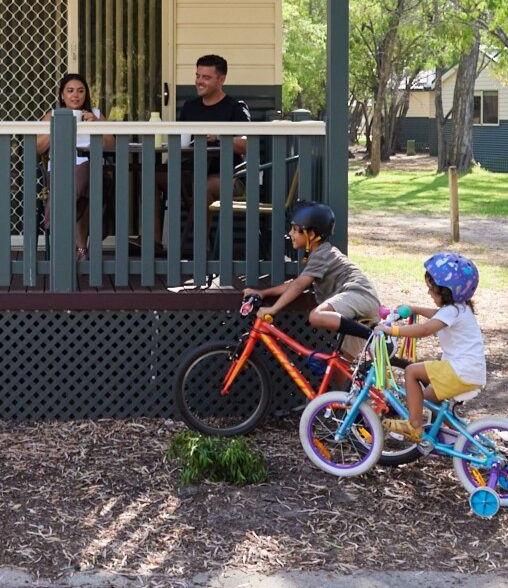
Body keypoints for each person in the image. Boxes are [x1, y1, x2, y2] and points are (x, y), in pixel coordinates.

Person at [239, 202, 381, 361]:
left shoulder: (322, 254)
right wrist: (262, 293)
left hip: (358, 295)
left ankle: (375, 334)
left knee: (316, 316)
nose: (290, 233)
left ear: (311, 235)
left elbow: (299, 285)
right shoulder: (319, 255)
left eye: (295, 229)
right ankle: (345, 383)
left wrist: (273, 309)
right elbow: (295, 283)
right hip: (363, 304)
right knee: (342, 365)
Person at [374, 252, 485, 443]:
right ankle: (468, 441)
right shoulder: (460, 308)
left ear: (446, 292)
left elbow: (425, 329)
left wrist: (391, 330)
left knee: (411, 371)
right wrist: (415, 308)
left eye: (432, 290)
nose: (429, 293)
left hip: (461, 370)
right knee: (429, 399)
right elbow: (437, 314)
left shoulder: (452, 311)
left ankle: (414, 426)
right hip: (470, 371)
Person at [34, 73, 106, 260]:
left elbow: (112, 144)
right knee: (81, 189)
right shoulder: (52, 115)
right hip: (59, 171)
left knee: (84, 169)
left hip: (92, 171)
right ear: (62, 96)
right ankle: (81, 250)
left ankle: (55, 213)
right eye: (70, 91)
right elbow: (38, 147)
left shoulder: (96, 114)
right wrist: (58, 126)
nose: (76, 95)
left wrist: (96, 125)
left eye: (81, 91)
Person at [176, 54, 252, 204]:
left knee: (203, 186)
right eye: (197, 76)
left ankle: (199, 229)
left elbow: (246, 145)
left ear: (221, 80)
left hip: (230, 176)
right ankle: (153, 229)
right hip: (192, 171)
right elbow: (181, 140)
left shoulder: (236, 107)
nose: (199, 81)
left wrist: (218, 137)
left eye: (206, 77)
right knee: (153, 178)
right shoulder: (189, 107)